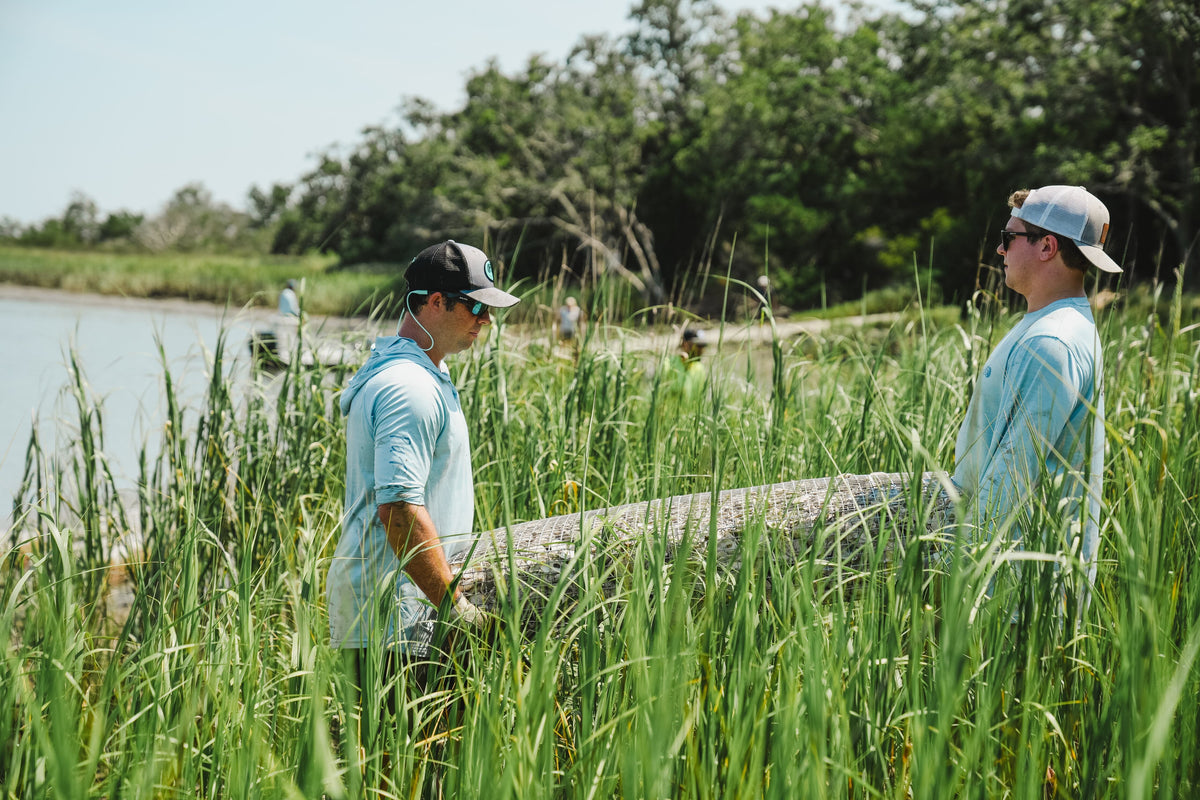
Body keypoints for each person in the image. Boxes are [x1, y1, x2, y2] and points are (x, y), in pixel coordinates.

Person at [326, 240, 519, 683]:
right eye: (476, 308)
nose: (487, 320)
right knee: (403, 753)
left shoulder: (420, 369)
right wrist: (455, 608)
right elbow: (398, 510)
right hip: (393, 619)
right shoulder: (409, 387)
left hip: (405, 609)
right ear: (436, 302)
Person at [952, 185, 1120, 598]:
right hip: (1017, 576)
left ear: (1046, 246)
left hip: (1018, 592)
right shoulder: (1054, 324)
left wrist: (956, 573)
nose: (999, 250)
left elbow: (1014, 472)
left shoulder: (1052, 341)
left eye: (1010, 237)